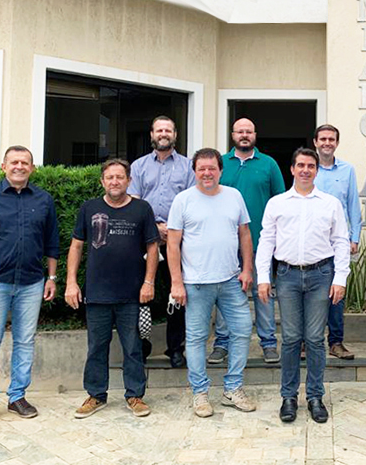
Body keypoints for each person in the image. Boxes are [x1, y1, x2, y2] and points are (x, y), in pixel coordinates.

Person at [0, 145, 59, 429]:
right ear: (4, 166)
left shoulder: (43, 199)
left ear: (32, 168)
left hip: (31, 283)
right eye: (14, 162)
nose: (19, 166)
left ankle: (17, 397)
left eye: (25, 162)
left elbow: (52, 243)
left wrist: (51, 278)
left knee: (25, 342)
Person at [256, 148, 350, 423]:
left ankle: (315, 396)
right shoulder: (277, 203)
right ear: (292, 169)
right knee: (291, 338)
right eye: (301, 165)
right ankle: (288, 397)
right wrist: (263, 277)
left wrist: (340, 278)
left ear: (317, 170)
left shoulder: (330, 203)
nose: (305, 170)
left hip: (321, 275)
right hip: (287, 276)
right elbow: (266, 240)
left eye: (311, 166)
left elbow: (341, 241)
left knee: (315, 339)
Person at [167, 148, 258, 418]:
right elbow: (172, 244)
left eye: (212, 168)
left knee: (242, 330)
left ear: (220, 170)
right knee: (196, 339)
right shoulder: (183, 200)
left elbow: (245, 234)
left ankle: (233, 388)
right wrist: (176, 282)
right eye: (202, 169)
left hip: (230, 280)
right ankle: (200, 393)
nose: (207, 173)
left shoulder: (234, 196)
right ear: (194, 171)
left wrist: (247, 269)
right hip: (195, 283)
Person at [65, 159, 159, 419]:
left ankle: (135, 395)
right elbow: (76, 246)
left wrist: (149, 282)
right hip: (97, 293)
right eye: (110, 177)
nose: (115, 182)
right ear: (102, 181)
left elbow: (153, 247)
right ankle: (96, 395)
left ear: (129, 181)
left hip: (133, 293)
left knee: (133, 347)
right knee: (96, 346)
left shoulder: (142, 208)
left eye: (120, 177)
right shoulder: (89, 208)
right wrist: (71, 282)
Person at [211, 118, 286, 365]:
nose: (244, 135)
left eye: (249, 131)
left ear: (255, 134)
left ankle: (268, 344)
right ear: (233, 135)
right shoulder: (221, 164)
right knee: (226, 294)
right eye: (240, 131)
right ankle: (222, 343)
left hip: (260, 242)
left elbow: (280, 202)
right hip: (225, 243)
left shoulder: (269, 164)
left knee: (263, 292)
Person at [128, 116, 195, 368]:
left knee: (177, 293)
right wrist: (154, 228)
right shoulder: (138, 166)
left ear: (175, 135)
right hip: (145, 239)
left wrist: (173, 229)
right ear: (152, 134)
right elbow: (133, 202)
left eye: (168, 130)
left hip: (177, 241)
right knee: (141, 291)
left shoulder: (188, 166)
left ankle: (175, 348)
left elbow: (192, 201)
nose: (163, 134)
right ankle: (141, 346)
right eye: (159, 130)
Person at [313, 124, 362, 360]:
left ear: (337, 143)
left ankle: (336, 342)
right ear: (315, 142)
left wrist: (354, 237)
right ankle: (306, 342)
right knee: (310, 293)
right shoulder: (308, 168)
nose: (327, 143)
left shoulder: (347, 170)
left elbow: (353, 204)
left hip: (338, 241)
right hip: (312, 241)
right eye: (323, 139)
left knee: (337, 293)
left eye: (331, 139)